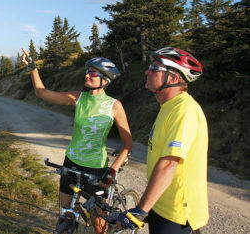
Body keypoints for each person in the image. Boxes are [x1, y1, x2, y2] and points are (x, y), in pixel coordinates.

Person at [21, 48, 133, 233]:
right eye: (87, 71)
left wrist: (112, 170)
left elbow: (128, 145)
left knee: (99, 224)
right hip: (71, 163)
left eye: (93, 73)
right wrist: (33, 68)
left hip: (96, 169)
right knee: (66, 214)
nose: (87, 75)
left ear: (105, 80)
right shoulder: (78, 97)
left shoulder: (114, 106)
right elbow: (42, 93)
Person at [118, 47, 209, 234]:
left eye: (154, 67)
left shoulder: (184, 110)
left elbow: (168, 164)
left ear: (174, 78)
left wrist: (140, 210)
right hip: (162, 204)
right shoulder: (168, 107)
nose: (147, 71)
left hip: (176, 212)